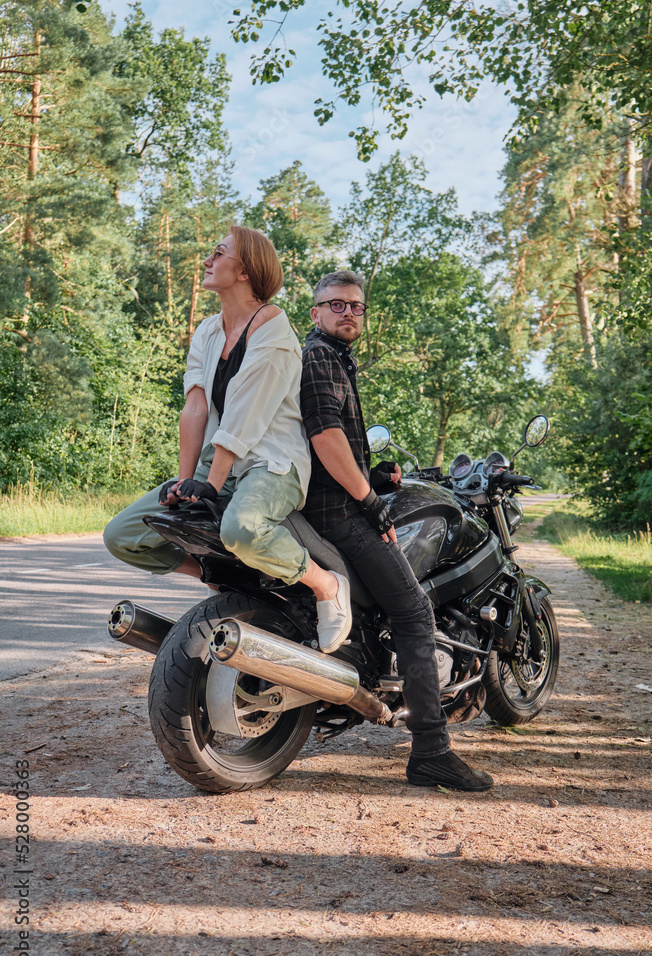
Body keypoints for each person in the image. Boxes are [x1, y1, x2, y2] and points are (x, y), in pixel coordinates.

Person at [103, 228, 351, 654]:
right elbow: (195, 408)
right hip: (217, 459)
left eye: (218, 253)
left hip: (271, 462)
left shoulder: (274, 328)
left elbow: (245, 416)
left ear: (245, 271)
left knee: (241, 531)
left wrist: (212, 486)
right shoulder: (207, 331)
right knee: (122, 535)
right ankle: (219, 576)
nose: (207, 260)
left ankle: (325, 584)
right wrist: (184, 483)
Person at [299, 270, 494, 791]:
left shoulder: (334, 358)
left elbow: (333, 448)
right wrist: (370, 502)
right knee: (413, 612)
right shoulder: (319, 357)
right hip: (336, 514)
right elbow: (324, 436)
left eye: (356, 306)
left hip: (329, 501)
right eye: (336, 304)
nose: (348, 312)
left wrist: (376, 478)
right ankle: (431, 750)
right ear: (315, 312)